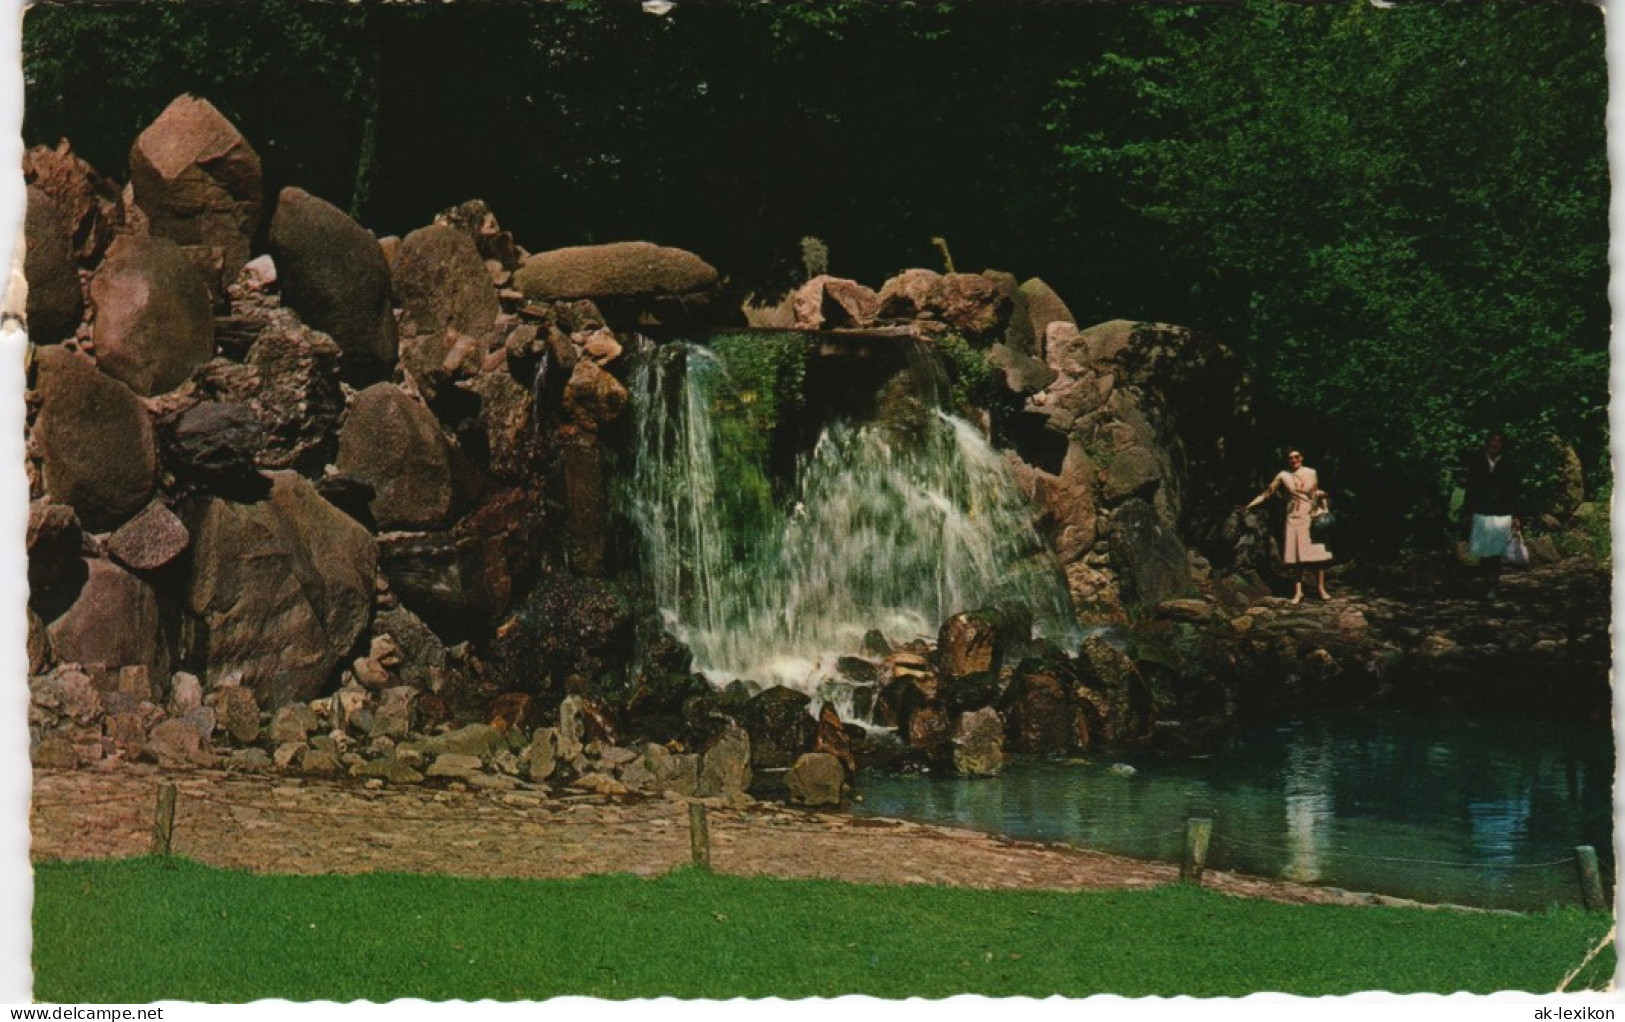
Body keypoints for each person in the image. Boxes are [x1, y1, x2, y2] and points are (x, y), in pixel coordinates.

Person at [1241, 448, 1332, 604]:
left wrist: (1323, 498)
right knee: (1297, 558)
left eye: (1297, 456)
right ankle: (1298, 592)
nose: (1294, 460)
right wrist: (1249, 506)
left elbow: (1316, 492)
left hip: (1311, 516)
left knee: (1317, 555)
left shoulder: (1311, 472)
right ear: (1287, 460)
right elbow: (1268, 493)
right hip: (1294, 517)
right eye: (1290, 458)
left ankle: (1321, 589)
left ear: (1302, 457)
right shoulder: (1283, 475)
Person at [1462, 430, 1521, 601]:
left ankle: (1494, 585)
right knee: (1483, 552)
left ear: (1503, 445)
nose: (1495, 444)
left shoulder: (1509, 464)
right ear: (1487, 443)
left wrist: (1516, 515)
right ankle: (1486, 582)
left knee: (1496, 552)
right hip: (1481, 512)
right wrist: (1467, 513)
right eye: (1493, 441)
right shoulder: (1478, 462)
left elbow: (1514, 491)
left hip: (1502, 513)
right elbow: (1471, 490)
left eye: (1499, 441)